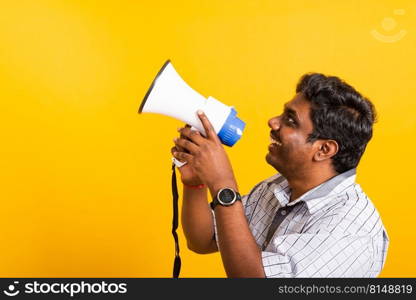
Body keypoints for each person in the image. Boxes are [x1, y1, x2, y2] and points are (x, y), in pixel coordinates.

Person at [171, 73, 389, 278]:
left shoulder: (349, 230)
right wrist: (195, 185)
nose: (273, 122)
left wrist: (223, 184)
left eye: (291, 120)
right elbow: (204, 240)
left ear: (324, 150)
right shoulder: (278, 188)